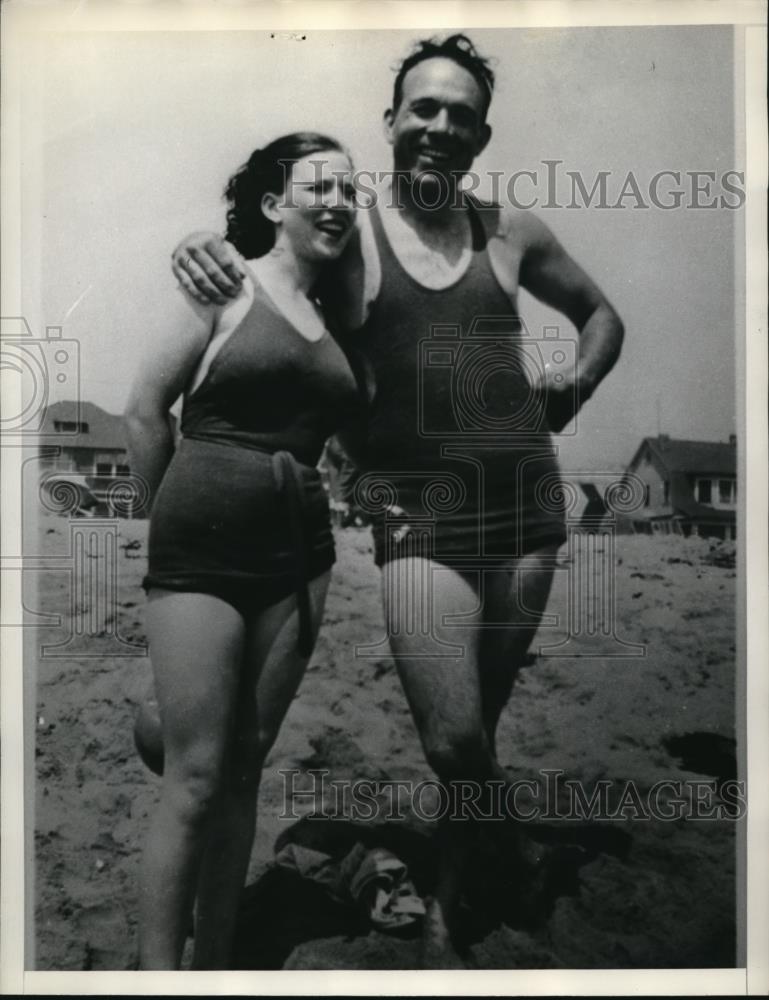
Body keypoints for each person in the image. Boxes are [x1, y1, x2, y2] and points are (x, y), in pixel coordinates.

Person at [172, 34, 624, 966]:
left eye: (460, 115)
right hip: (417, 520)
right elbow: (256, 269)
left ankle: (449, 914)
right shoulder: (350, 236)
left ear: (480, 134)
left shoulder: (512, 232)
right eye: (423, 107)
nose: (439, 126)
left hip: (528, 514)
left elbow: (603, 317)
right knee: (455, 738)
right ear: (391, 121)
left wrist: (571, 383)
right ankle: (505, 856)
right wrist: (195, 250)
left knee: (477, 734)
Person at [125, 132, 362, 969]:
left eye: (350, 189)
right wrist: (174, 521)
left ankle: (216, 960)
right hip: (201, 554)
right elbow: (146, 409)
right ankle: (161, 974)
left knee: (245, 767)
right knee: (194, 778)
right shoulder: (225, 284)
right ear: (272, 205)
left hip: (301, 557)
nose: (337, 201)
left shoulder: (341, 316)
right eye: (319, 186)